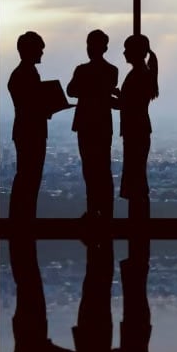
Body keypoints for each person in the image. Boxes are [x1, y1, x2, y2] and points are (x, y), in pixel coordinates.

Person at [67, 30, 118, 219]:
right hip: (103, 124)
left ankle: (93, 210)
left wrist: (86, 90)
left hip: (85, 125)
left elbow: (71, 90)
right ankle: (106, 213)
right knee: (103, 168)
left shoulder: (81, 70)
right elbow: (104, 94)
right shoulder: (112, 71)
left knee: (90, 169)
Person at [112, 34, 159, 219]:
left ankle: (138, 219)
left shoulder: (138, 74)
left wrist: (106, 98)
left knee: (135, 175)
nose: (124, 53)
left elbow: (128, 104)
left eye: (127, 49)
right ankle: (140, 219)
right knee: (138, 174)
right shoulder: (143, 73)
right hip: (139, 128)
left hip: (135, 130)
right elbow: (132, 101)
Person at [8, 31, 50, 219]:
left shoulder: (21, 74)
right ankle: (23, 218)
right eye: (39, 49)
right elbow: (31, 105)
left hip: (27, 130)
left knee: (26, 176)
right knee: (29, 177)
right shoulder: (27, 74)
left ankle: (21, 218)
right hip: (31, 131)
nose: (42, 53)